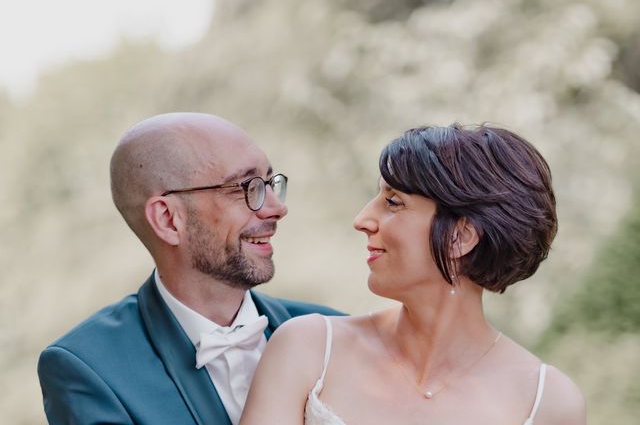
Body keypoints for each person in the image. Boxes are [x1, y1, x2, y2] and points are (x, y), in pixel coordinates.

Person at [240, 124, 586, 425]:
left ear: (460, 236)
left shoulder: (547, 401)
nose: (362, 220)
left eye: (393, 202)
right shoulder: (309, 347)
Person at [37, 112, 342, 425]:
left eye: (269, 182)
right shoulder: (88, 368)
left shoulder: (335, 332)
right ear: (168, 219)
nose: (277, 208)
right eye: (247, 187)